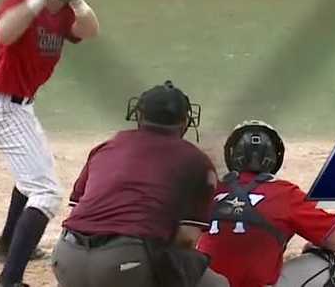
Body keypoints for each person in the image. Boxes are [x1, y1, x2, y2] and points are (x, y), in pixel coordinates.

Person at [0, 0, 101, 287]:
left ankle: (8, 243)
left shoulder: (65, 14)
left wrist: (76, 2)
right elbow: (4, 32)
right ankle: (9, 280)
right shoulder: (21, 3)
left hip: (19, 107)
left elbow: (91, 30)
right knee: (45, 193)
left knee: (33, 176)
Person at [52, 80, 228, 287]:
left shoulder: (107, 147)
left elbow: (76, 209)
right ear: (185, 120)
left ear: (139, 115)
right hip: (124, 264)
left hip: (66, 258)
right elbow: (187, 239)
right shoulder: (197, 160)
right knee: (216, 284)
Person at [198, 121, 335, 287]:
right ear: (274, 157)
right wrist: (314, 246)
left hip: (204, 283)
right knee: (331, 263)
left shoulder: (209, 189)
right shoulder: (286, 193)